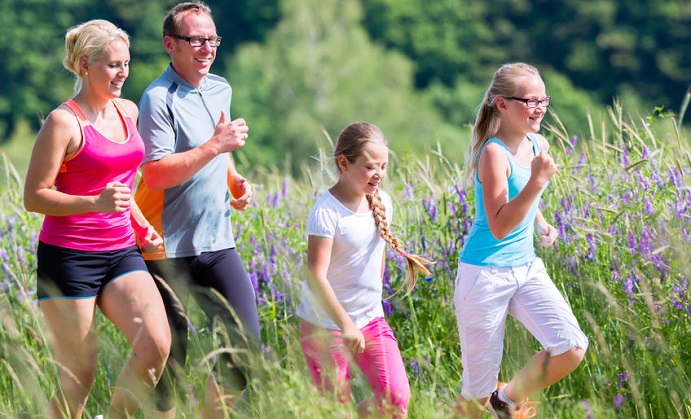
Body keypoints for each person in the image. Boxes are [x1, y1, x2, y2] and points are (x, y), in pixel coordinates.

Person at [22, 19, 171, 419]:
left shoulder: (128, 110)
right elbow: (33, 197)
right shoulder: (63, 122)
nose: (122, 73)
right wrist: (93, 203)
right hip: (68, 258)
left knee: (156, 345)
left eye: (126, 63)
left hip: (122, 250)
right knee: (79, 377)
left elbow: (120, 187)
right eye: (112, 65)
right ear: (85, 65)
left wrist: (142, 227)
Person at [133, 2, 261, 417]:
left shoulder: (220, 87)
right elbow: (153, 174)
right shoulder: (157, 98)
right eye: (196, 40)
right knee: (172, 358)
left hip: (216, 241)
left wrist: (233, 180)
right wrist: (216, 147)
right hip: (163, 247)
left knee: (245, 345)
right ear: (171, 45)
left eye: (212, 39)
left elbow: (217, 154)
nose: (207, 48)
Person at [451, 63, 589, 419]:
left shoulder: (537, 143)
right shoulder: (493, 153)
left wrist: (540, 222)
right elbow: (497, 225)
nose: (540, 107)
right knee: (474, 397)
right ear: (502, 104)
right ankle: (490, 399)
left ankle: (507, 400)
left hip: (526, 268)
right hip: (484, 275)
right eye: (530, 101)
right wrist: (538, 183)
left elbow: (523, 202)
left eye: (543, 99)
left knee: (571, 347)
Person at [296, 122, 434, 418]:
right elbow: (315, 275)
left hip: (370, 320)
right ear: (344, 163)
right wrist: (345, 324)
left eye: (383, 166)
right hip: (325, 326)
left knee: (396, 398)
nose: (379, 174)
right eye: (371, 167)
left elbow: (377, 256)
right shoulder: (326, 213)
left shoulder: (383, 202)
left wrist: (369, 307)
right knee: (336, 409)